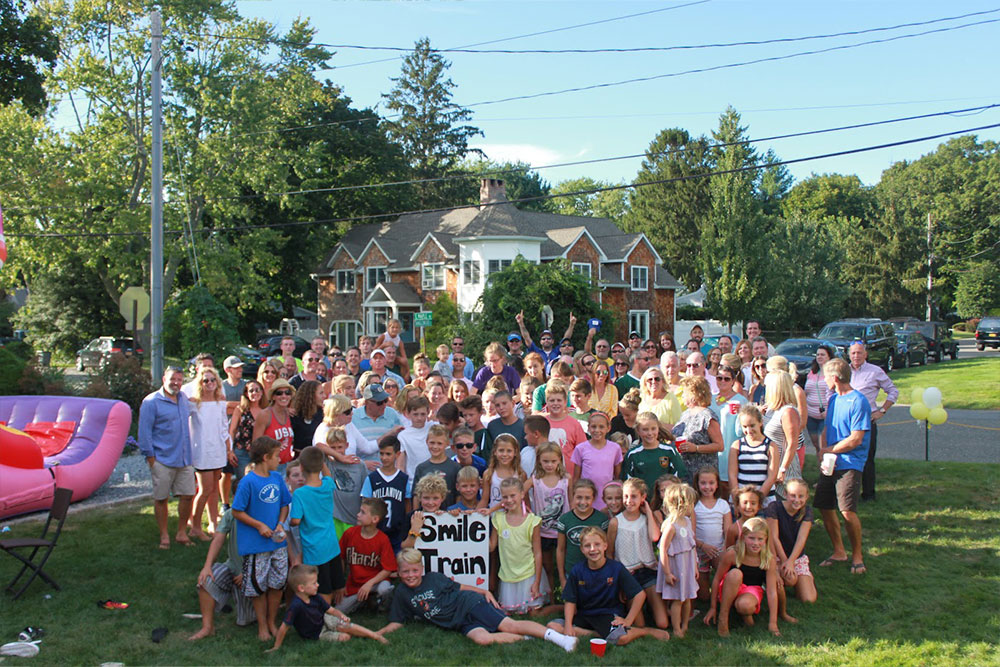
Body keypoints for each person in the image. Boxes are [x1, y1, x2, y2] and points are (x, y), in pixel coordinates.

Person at [377, 548, 577, 650]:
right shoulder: (402, 593)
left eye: (414, 570)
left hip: (470, 605)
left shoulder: (434, 578)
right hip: (459, 622)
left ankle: (563, 640)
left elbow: (461, 587)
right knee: (482, 640)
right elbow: (397, 621)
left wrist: (484, 592)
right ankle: (531, 637)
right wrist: (377, 633)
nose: (410, 575)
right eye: (405, 572)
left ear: (421, 569)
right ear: (398, 572)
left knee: (509, 626)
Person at [548, 527, 670, 645]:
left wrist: (628, 620)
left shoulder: (616, 568)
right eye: (587, 546)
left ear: (605, 546)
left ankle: (644, 631)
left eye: (597, 544)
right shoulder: (577, 570)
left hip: (608, 615)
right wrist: (568, 626)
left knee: (622, 639)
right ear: (582, 549)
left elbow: (639, 594)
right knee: (553, 626)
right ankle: (600, 635)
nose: (592, 549)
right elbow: (570, 600)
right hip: (585, 615)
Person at [231, 436, 292, 641]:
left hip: (277, 544)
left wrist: (280, 524)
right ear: (266, 457)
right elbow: (237, 511)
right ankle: (262, 625)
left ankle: (272, 621)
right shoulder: (248, 482)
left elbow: (284, 504)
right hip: (257, 546)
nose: (280, 459)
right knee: (259, 587)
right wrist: (259, 525)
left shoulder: (276, 478)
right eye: (276, 456)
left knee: (277, 584)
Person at [815, 357, 871, 574]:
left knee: (847, 510)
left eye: (826, 376)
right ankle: (839, 551)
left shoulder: (858, 401)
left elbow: (856, 438)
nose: (824, 380)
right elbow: (828, 428)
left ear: (835, 378)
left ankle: (857, 555)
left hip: (850, 463)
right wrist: (823, 450)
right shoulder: (833, 400)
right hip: (831, 461)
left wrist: (830, 450)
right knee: (824, 505)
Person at [139, 366, 196, 550]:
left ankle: (181, 532)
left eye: (180, 380)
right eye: (173, 379)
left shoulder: (183, 399)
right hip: (162, 459)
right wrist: (151, 459)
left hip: (184, 458)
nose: (176, 383)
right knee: (162, 498)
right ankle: (164, 535)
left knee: (188, 495)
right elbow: (144, 432)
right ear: (164, 378)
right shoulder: (151, 402)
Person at [267, 564, 386, 651]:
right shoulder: (295, 606)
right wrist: (276, 647)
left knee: (346, 625)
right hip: (316, 634)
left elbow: (331, 610)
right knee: (345, 637)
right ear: (301, 588)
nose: (317, 585)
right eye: (314, 583)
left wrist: (342, 616)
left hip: (324, 620)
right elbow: (284, 627)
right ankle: (349, 633)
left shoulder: (315, 596)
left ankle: (374, 635)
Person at [606, 478, 668, 631]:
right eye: (625, 496)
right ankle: (644, 626)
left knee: (663, 623)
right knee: (639, 624)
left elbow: (655, 537)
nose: (628, 501)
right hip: (628, 575)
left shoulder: (647, 518)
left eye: (633, 496)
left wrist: (647, 511)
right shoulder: (616, 522)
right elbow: (610, 553)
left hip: (648, 572)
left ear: (643, 498)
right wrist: (617, 581)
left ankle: (651, 609)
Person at [704, 517, 781, 637]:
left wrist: (773, 623)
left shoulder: (768, 559)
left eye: (760, 539)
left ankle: (746, 617)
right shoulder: (732, 554)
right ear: (743, 537)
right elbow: (717, 579)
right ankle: (723, 618)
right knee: (735, 574)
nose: (755, 543)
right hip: (729, 587)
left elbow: (771, 591)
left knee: (744, 605)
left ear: (766, 540)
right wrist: (713, 607)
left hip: (751, 590)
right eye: (751, 538)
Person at [188, 503, 256, 640]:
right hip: (232, 567)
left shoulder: (263, 513)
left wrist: (249, 572)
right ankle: (207, 627)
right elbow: (218, 540)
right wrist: (207, 566)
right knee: (206, 579)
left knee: (246, 620)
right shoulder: (231, 514)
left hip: (257, 571)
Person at [289, 446, 345, 604]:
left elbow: (296, 521)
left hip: (314, 549)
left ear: (301, 467)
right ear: (321, 465)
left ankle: (323, 617)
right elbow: (328, 476)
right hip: (331, 544)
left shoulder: (300, 493)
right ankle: (335, 611)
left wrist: (292, 520)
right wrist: (323, 464)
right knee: (334, 581)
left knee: (322, 588)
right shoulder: (327, 484)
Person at [847, 342, 897, 501]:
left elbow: (893, 391)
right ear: (849, 354)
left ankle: (868, 494)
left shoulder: (875, 371)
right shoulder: (843, 371)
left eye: (859, 353)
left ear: (865, 354)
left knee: (867, 459)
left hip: (866, 422)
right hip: (846, 422)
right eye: (853, 353)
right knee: (846, 458)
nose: (856, 356)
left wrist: (882, 411)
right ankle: (848, 492)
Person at [490, 477, 547, 613]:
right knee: (506, 613)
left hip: (528, 573)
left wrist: (537, 581)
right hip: (508, 574)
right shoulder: (498, 518)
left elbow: (537, 552)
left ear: (522, 494)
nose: (509, 500)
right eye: (505, 497)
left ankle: (560, 608)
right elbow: (492, 546)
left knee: (534, 613)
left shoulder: (532, 521)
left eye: (513, 496)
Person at [189, 365, 233, 540]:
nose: (209, 383)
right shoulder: (193, 403)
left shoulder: (220, 401)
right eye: (205, 380)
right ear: (200, 383)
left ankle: (213, 523)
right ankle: (195, 526)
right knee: (205, 489)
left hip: (218, 449)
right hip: (202, 451)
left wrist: (228, 447)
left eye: (212, 379)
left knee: (214, 488)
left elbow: (224, 426)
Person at [764, 478, 817, 608]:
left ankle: (806, 577)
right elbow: (774, 537)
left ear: (807, 497)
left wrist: (791, 562)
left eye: (801, 496)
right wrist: (784, 561)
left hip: (796, 557)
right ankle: (770, 580)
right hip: (776, 555)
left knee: (808, 599)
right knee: (788, 580)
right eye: (793, 495)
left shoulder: (807, 511)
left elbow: (801, 539)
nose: (797, 500)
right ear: (786, 494)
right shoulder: (774, 507)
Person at [338, 498, 397, 613]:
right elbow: (341, 558)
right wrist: (340, 583)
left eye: (363, 512)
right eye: (360, 511)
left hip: (376, 582)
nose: (358, 515)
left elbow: (388, 569)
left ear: (375, 519)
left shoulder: (382, 539)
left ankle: (381, 607)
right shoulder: (350, 534)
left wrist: (369, 584)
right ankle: (367, 601)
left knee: (385, 589)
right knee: (340, 610)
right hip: (355, 585)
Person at [656, 483, 698, 637]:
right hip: (675, 568)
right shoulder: (671, 526)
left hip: (687, 566)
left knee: (687, 598)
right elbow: (663, 550)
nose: (692, 506)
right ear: (681, 504)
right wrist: (667, 573)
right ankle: (676, 628)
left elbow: (691, 547)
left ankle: (685, 624)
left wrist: (695, 567)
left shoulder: (687, 522)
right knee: (677, 600)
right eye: (691, 503)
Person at [555, 478, 609, 590]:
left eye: (587, 498)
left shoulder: (601, 520)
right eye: (579, 497)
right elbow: (560, 549)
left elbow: (607, 549)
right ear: (573, 496)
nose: (583, 502)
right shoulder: (564, 520)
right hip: (572, 572)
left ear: (593, 498)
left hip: (597, 571)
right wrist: (562, 577)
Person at [360, 435, 409, 552]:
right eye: (381, 454)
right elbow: (365, 504)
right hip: (376, 531)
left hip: (397, 532)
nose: (384, 458)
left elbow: (407, 505)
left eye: (388, 454)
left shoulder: (403, 479)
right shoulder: (372, 478)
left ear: (397, 455)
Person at [672, 376, 724, 482]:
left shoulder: (707, 416)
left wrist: (696, 448)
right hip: (684, 472)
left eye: (685, 393)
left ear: (694, 394)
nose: (682, 396)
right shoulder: (685, 414)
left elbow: (719, 445)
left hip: (702, 475)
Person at [623, 412, 687, 494]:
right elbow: (628, 482)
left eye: (653, 429)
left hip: (666, 501)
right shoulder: (632, 454)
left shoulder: (669, 451)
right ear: (638, 431)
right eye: (645, 429)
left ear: (658, 428)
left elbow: (679, 476)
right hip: (642, 502)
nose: (650, 433)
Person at [762, 370, 803, 498]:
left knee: (786, 504)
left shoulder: (788, 412)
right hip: (770, 464)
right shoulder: (770, 409)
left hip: (784, 467)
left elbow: (792, 443)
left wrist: (783, 469)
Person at [693, 467, 732, 600]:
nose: (707, 487)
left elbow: (728, 530)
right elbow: (690, 533)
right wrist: (703, 546)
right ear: (697, 484)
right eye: (703, 483)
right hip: (700, 550)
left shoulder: (723, 505)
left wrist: (725, 549)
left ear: (717, 484)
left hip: (718, 550)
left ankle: (723, 593)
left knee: (722, 584)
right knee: (703, 597)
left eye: (711, 483)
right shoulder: (694, 505)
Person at [728, 404, 779, 504]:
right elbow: (732, 475)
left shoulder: (770, 446)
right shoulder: (737, 445)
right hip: (742, 499)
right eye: (745, 427)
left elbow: (772, 476)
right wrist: (737, 498)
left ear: (760, 422)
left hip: (764, 498)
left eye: (752, 426)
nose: (749, 430)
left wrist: (758, 499)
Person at [570, 412, 622, 510]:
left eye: (601, 427)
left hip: (607, 498)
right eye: (593, 427)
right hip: (586, 497)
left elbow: (617, 476)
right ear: (588, 428)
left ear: (608, 428)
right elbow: (576, 478)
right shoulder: (581, 448)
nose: (597, 430)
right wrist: (574, 500)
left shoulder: (615, 448)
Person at [710, 362, 746, 499]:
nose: (723, 381)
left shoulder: (741, 400)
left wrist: (741, 413)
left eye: (726, 379)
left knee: (727, 486)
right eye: (719, 378)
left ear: (733, 381)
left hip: (730, 448)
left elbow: (743, 431)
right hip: (713, 450)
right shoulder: (711, 399)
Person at [326, 429, 369, 539]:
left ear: (347, 445)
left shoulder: (359, 465)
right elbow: (318, 447)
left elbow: (365, 492)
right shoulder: (328, 463)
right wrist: (338, 456)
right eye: (333, 448)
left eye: (340, 447)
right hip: (336, 516)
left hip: (354, 516)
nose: (337, 451)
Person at [352, 383, 405, 465]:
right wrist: (362, 463)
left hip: (388, 471)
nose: (384, 405)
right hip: (364, 471)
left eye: (385, 400)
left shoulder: (392, 414)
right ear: (367, 402)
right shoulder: (353, 417)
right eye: (379, 402)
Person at [542, 381, 588, 475]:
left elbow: (582, 451)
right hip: (546, 475)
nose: (555, 403)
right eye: (552, 400)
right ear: (546, 402)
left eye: (559, 400)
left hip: (569, 475)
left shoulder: (574, 424)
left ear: (565, 402)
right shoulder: (542, 423)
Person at [413, 425, 462, 505]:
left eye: (439, 443)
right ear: (426, 442)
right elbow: (416, 495)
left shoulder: (455, 467)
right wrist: (416, 514)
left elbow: (459, 495)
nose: (435, 447)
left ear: (447, 444)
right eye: (432, 443)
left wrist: (456, 511)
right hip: (426, 514)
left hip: (449, 514)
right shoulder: (421, 468)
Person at [252, 379, 296, 468]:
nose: (284, 396)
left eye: (287, 392)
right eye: (279, 393)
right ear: (273, 397)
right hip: (269, 467)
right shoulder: (265, 415)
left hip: (286, 465)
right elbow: (256, 444)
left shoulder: (288, 414)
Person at [478, 434, 526, 512]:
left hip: (515, 519)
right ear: (495, 452)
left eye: (509, 451)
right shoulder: (489, 474)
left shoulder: (520, 474)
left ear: (515, 452)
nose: (504, 454)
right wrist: (474, 514)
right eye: (501, 450)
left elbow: (525, 500)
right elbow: (484, 500)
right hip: (495, 518)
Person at [230, 381, 265, 485]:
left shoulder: (266, 410)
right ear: (246, 393)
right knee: (244, 482)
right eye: (251, 391)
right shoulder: (240, 409)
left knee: (259, 482)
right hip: (242, 452)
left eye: (257, 390)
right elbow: (232, 430)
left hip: (260, 452)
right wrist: (230, 451)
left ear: (262, 392)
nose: (254, 393)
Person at [804, 345, 835, 456]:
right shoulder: (811, 373)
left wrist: (828, 411)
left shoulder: (833, 374)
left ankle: (827, 470)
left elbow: (836, 395)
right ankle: (820, 466)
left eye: (822, 354)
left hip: (825, 415)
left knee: (823, 445)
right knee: (816, 445)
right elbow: (806, 392)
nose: (819, 357)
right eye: (817, 354)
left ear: (829, 357)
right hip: (810, 415)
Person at [290, 380, 326, 459]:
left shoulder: (323, 414)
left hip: (319, 458)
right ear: (311, 396)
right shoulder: (295, 415)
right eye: (321, 393)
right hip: (300, 459)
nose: (324, 396)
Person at [725, 485, 764, 550]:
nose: (748, 507)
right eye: (745, 503)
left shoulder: (763, 526)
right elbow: (729, 550)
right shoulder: (733, 529)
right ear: (737, 505)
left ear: (759, 506)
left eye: (753, 503)